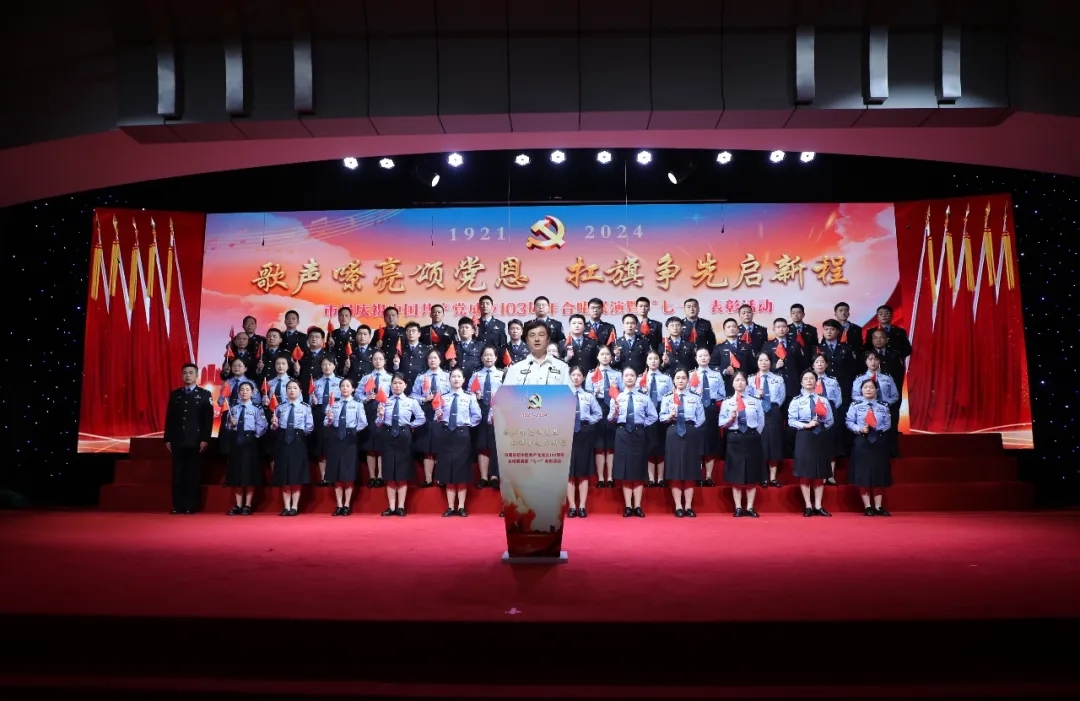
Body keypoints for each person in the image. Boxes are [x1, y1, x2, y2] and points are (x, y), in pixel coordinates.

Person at [164, 363, 213, 514]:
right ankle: (177, 505)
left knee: (192, 474)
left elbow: (207, 419)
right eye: (185, 373)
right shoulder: (176, 394)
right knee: (177, 474)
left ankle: (190, 506)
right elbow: (170, 418)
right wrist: (167, 438)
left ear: (197, 376)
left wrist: (205, 438)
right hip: (178, 439)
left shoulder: (204, 395)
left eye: (191, 373)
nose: (188, 375)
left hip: (195, 440)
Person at [609, 366, 658, 517]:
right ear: (622, 379)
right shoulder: (617, 397)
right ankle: (628, 506)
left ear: (636, 378)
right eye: (626, 375)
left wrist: (641, 424)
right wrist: (615, 412)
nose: (629, 378)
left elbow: (653, 416)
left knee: (638, 468)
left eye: (632, 375)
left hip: (638, 434)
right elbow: (610, 418)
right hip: (622, 433)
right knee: (625, 469)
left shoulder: (644, 397)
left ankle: (637, 506)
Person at [376, 373, 426, 516]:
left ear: (405, 385)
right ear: (391, 385)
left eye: (400, 383)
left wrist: (410, 426)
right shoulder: (385, 401)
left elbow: (421, 418)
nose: (397, 386)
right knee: (389, 471)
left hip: (404, 436)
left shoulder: (411, 401)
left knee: (402, 471)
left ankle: (401, 506)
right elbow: (378, 423)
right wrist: (380, 415)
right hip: (388, 436)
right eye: (395, 383)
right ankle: (391, 507)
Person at [718, 372, 766, 517]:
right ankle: (738, 507)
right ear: (732, 383)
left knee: (752, 473)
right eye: (737, 380)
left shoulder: (755, 401)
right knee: (736, 473)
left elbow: (761, 421)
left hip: (751, 438)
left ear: (746, 383)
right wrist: (730, 419)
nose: (740, 383)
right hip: (735, 438)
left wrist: (752, 434)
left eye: (742, 380)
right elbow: (721, 423)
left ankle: (750, 507)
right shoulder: (727, 402)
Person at [435, 368, 482, 516]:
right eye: (453, 377)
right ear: (449, 380)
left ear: (463, 380)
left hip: (462, 435)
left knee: (461, 469)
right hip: (446, 434)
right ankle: (450, 507)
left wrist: (465, 425)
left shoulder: (469, 397)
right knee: (448, 469)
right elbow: (437, 417)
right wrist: (438, 416)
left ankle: (461, 507)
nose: (456, 379)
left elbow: (477, 416)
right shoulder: (443, 397)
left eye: (458, 376)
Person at [659, 369, 705, 517]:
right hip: (673, 432)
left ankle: (688, 506)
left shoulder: (695, 397)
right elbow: (661, 417)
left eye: (683, 378)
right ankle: (678, 506)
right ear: (674, 380)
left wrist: (691, 428)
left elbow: (701, 418)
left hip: (690, 432)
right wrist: (670, 416)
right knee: (675, 469)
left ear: (688, 380)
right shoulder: (667, 398)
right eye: (678, 378)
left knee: (690, 468)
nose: (680, 380)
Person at [788, 370, 835, 517]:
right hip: (804, 435)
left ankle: (818, 505)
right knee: (805, 471)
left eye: (811, 378)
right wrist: (806, 425)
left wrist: (820, 424)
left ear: (816, 382)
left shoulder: (823, 400)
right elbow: (791, 420)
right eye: (806, 379)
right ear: (802, 383)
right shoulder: (796, 401)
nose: (809, 381)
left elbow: (830, 420)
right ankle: (808, 505)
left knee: (819, 471)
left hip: (820, 436)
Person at [846, 379, 893, 516]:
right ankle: (867, 506)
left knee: (879, 474)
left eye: (871, 387)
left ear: (876, 390)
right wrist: (860, 428)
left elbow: (887, 423)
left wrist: (877, 428)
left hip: (878, 441)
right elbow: (849, 422)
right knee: (864, 474)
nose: (868, 390)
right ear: (861, 390)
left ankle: (878, 507)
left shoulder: (883, 406)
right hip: (862, 441)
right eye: (865, 387)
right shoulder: (855, 405)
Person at [323, 378, 367, 516]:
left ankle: (347, 504)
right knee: (337, 473)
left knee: (348, 473)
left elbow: (363, 422)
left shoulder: (357, 404)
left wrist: (352, 431)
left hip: (350, 439)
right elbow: (326, 422)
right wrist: (329, 419)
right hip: (336, 438)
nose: (345, 388)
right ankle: (339, 505)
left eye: (348, 386)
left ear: (353, 389)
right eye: (342, 386)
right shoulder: (333, 403)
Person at [223, 380, 267, 515]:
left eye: (247, 390)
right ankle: (238, 505)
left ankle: (247, 505)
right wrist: (231, 424)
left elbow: (262, 424)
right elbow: (227, 426)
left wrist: (254, 436)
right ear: (238, 392)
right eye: (242, 390)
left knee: (249, 472)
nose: (244, 392)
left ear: (252, 393)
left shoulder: (256, 408)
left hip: (250, 442)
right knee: (237, 472)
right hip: (236, 441)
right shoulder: (234, 408)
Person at [270, 380, 314, 516]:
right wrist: (274, 425)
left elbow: (309, 427)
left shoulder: (305, 407)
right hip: (283, 440)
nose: (292, 390)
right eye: (289, 388)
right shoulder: (279, 407)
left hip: (298, 440)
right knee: (285, 473)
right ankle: (286, 506)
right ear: (286, 391)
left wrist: (299, 434)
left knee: (296, 473)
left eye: (295, 388)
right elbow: (274, 427)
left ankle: (294, 506)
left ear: (300, 391)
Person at [567, 366, 603, 518]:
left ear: (583, 378)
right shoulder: (563, 395)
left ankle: (582, 506)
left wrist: (588, 420)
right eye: (573, 375)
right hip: (567, 433)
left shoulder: (589, 396)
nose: (576, 377)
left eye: (579, 375)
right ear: (569, 377)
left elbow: (598, 414)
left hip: (584, 433)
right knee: (568, 472)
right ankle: (572, 507)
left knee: (583, 471)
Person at [411, 348, 450, 488]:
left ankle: (440, 477)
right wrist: (423, 399)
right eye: (430, 358)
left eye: (435, 358)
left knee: (440, 444)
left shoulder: (448, 376)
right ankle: (428, 478)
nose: (432, 360)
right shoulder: (421, 377)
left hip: (442, 411)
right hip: (426, 411)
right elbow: (413, 395)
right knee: (427, 445)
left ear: (440, 360)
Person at [852, 350, 902, 458]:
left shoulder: (887, 378)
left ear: (879, 361)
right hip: (865, 411)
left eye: (876, 359)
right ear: (866, 361)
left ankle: (889, 453)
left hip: (883, 411)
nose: (873, 362)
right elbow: (855, 395)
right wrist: (868, 400)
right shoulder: (860, 379)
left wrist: (884, 403)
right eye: (870, 359)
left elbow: (895, 396)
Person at [747, 352, 786, 488]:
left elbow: (781, 397)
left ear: (771, 362)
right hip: (757, 411)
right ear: (757, 362)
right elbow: (746, 397)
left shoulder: (778, 379)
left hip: (773, 412)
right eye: (761, 360)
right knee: (761, 443)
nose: (763, 363)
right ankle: (762, 476)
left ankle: (773, 477)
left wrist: (772, 407)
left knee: (774, 443)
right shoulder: (751, 379)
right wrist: (757, 397)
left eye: (766, 360)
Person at [586, 345, 623, 487]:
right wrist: (594, 393)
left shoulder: (617, 374)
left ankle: (610, 477)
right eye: (602, 354)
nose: (605, 356)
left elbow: (623, 392)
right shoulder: (591, 374)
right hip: (598, 405)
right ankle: (601, 478)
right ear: (597, 357)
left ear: (611, 357)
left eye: (607, 354)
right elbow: (587, 395)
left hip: (613, 406)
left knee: (611, 443)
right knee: (600, 443)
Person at [689, 347, 725, 487]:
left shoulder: (716, 375)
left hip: (711, 409)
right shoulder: (691, 375)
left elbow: (722, 394)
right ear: (696, 359)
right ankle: (698, 475)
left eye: (705, 355)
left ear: (709, 358)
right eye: (700, 356)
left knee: (710, 442)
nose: (703, 358)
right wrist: (695, 394)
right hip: (695, 409)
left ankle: (708, 476)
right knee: (697, 442)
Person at [502, 319, 572, 386]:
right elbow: (507, 393)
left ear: (548, 339)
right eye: (532, 335)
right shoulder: (516, 367)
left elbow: (570, 393)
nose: (537, 339)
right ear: (527, 340)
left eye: (541, 335)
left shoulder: (562, 367)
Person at [471, 346, 503, 488]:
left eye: (491, 355)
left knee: (496, 443)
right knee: (482, 444)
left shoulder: (502, 374)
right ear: (482, 358)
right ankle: (483, 477)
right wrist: (475, 395)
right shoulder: (476, 375)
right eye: (485, 355)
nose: (488, 357)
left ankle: (494, 476)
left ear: (496, 358)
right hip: (481, 410)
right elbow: (469, 393)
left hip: (498, 410)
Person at [809, 354, 844, 484]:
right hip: (814, 413)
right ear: (813, 365)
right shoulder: (808, 380)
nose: (820, 364)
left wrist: (829, 409)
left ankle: (831, 474)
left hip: (831, 412)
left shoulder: (832, 381)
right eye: (817, 362)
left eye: (822, 362)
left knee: (831, 443)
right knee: (818, 444)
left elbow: (838, 400)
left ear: (826, 365)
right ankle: (820, 474)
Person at [308, 355, 342, 486]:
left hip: (334, 415)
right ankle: (323, 477)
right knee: (320, 446)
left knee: (332, 446)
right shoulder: (315, 383)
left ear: (335, 366)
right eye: (324, 364)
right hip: (319, 414)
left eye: (329, 364)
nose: (326, 367)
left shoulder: (340, 381)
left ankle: (332, 476)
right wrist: (313, 401)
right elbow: (309, 402)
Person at [641, 351, 673, 487]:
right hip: (646, 412)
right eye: (650, 358)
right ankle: (650, 478)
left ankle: (660, 478)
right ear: (646, 361)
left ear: (660, 361)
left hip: (662, 410)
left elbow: (672, 396)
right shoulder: (641, 378)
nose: (653, 361)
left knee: (661, 445)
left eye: (656, 358)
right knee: (649, 445)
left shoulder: (666, 378)